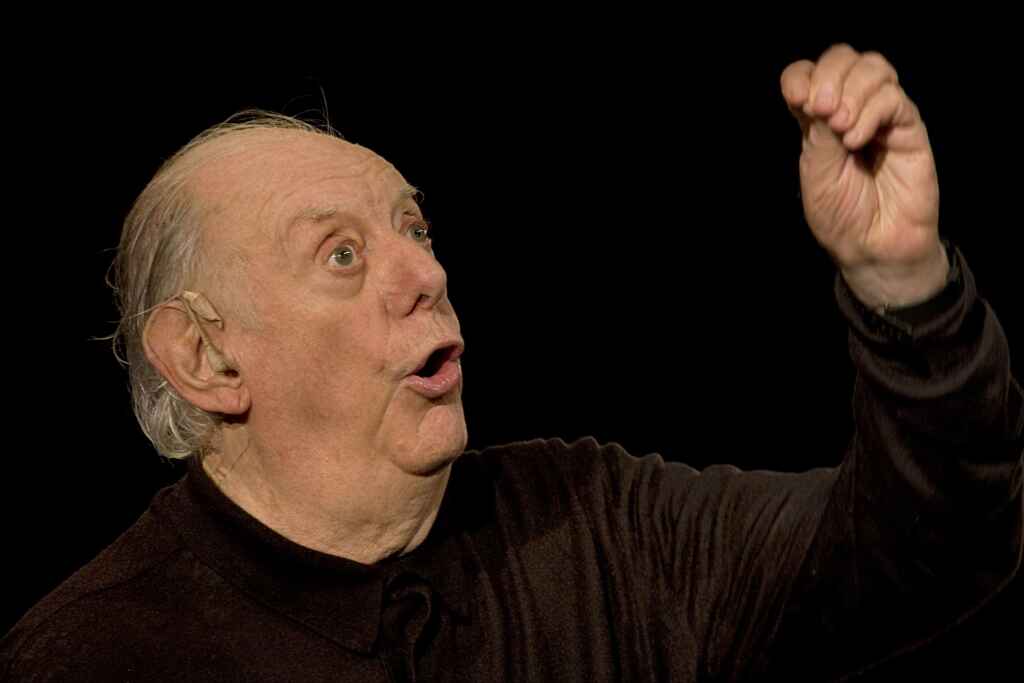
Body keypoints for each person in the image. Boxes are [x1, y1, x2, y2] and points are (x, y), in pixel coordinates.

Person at [2, 44, 1020, 681]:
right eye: (342, 255)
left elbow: (927, 549)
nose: (427, 273)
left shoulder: (594, 521)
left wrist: (903, 284)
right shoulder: (94, 653)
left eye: (415, 229)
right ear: (206, 356)